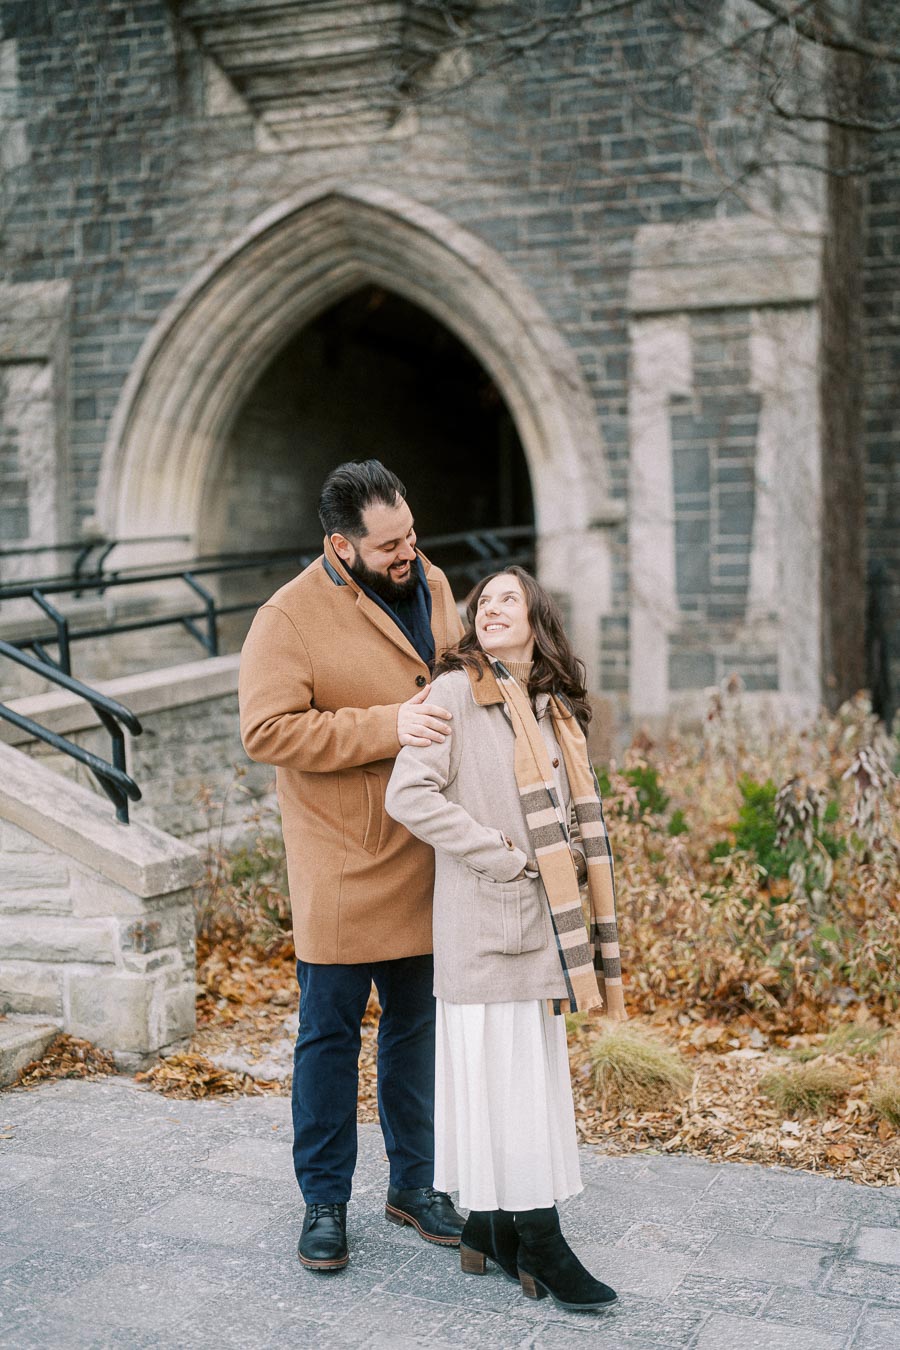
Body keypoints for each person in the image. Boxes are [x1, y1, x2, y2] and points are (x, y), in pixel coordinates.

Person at [238, 460, 465, 1272]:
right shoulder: (286, 617)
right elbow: (267, 733)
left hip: (426, 850)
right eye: (391, 544)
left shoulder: (429, 579)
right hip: (341, 860)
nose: (410, 552)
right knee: (328, 1038)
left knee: (416, 1029)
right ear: (340, 545)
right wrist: (388, 726)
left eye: (412, 533)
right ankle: (324, 1202)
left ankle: (417, 1186)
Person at [384, 566, 626, 1313]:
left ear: (536, 619)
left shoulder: (551, 710)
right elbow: (407, 793)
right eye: (482, 601)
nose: (490, 608)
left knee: (525, 1082)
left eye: (507, 599)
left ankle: (490, 1227)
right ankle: (541, 1239)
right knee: (510, 1087)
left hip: (543, 931)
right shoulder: (457, 692)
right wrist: (502, 856)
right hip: (487, 923)